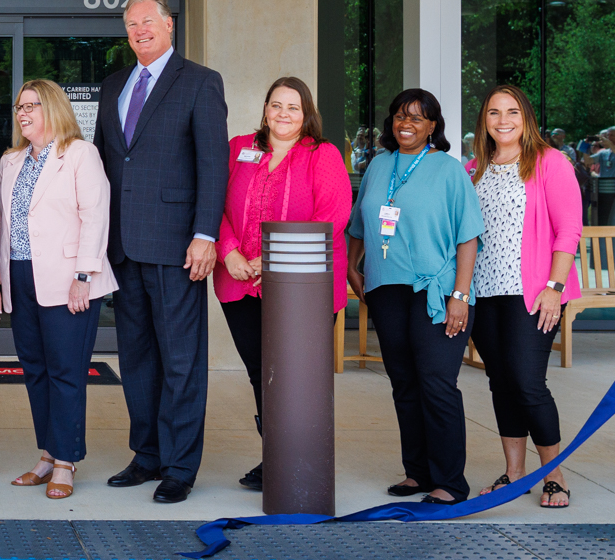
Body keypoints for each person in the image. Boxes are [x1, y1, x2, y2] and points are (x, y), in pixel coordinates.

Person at [95, 0, 228, 504]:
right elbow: (110, 166)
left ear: (169, 24)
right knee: (138, 357)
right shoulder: (114, 86)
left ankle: (179, 465)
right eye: (131, 25)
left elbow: (212, 164)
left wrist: (205, 235)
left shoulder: (199, 81)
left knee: (181, 360)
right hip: (124, 246)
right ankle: (146, 454)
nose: (139, 30)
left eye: (148, 22)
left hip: (177, 246)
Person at [214, 77, 352, 492]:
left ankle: (299, 462)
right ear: (265, 108)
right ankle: (274, 456)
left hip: (300, 287)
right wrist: (230, 251)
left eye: (292, 107)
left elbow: (331, 217)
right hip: (240, 280)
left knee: (295, 375)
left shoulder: (321, 155)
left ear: (306, 113)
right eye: (276, 105)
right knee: (261, 372)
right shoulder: (241, 148)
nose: (283, 114)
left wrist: (267, 259)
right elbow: (212, 202)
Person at [347, 88, 484, 504]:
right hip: (387, 289)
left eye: (417, 118)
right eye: (400, 115)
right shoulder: (379, 165)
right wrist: (355, 267)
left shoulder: (448, 169)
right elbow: (360, 223)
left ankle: (449, 483)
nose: (406, 123)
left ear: (433, 127)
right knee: (404, 383)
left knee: (436, 384)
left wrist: (460, 294)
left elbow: (468, 237)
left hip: (437, 291)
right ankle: (418, 473)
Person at [0, 79, 117, 500]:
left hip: (69, 279)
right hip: (20, 276)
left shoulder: (80, 154)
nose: (22, 114)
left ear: (54, 108)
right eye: (19, 107)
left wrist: (84, 276)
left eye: (32, 106)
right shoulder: (10, 160)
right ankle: (46, 455)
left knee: (66, 373)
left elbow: (95, 217)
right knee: (35, 371)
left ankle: (65, 461)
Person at [468, 85, 581, 508]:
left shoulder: (550, 162)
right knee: (501, 382)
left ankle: (555, 475)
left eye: (512, 111)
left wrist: (554, 288)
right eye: (494, 112)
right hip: (486, 291)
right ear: (485, 120)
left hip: (533, 293)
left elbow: (569, 229)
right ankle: (515, 473)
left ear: (526, 117)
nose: (503, 120)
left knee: (528, 382)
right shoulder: (475, 168)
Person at [591, 128, 615, 225]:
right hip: (604, 190)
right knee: (605, 219)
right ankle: (604, 240)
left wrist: (611, 145)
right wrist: (585, 146)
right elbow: (588, 161)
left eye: (612, 135)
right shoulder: (603, 152)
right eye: (608, 135)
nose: (609, 138)